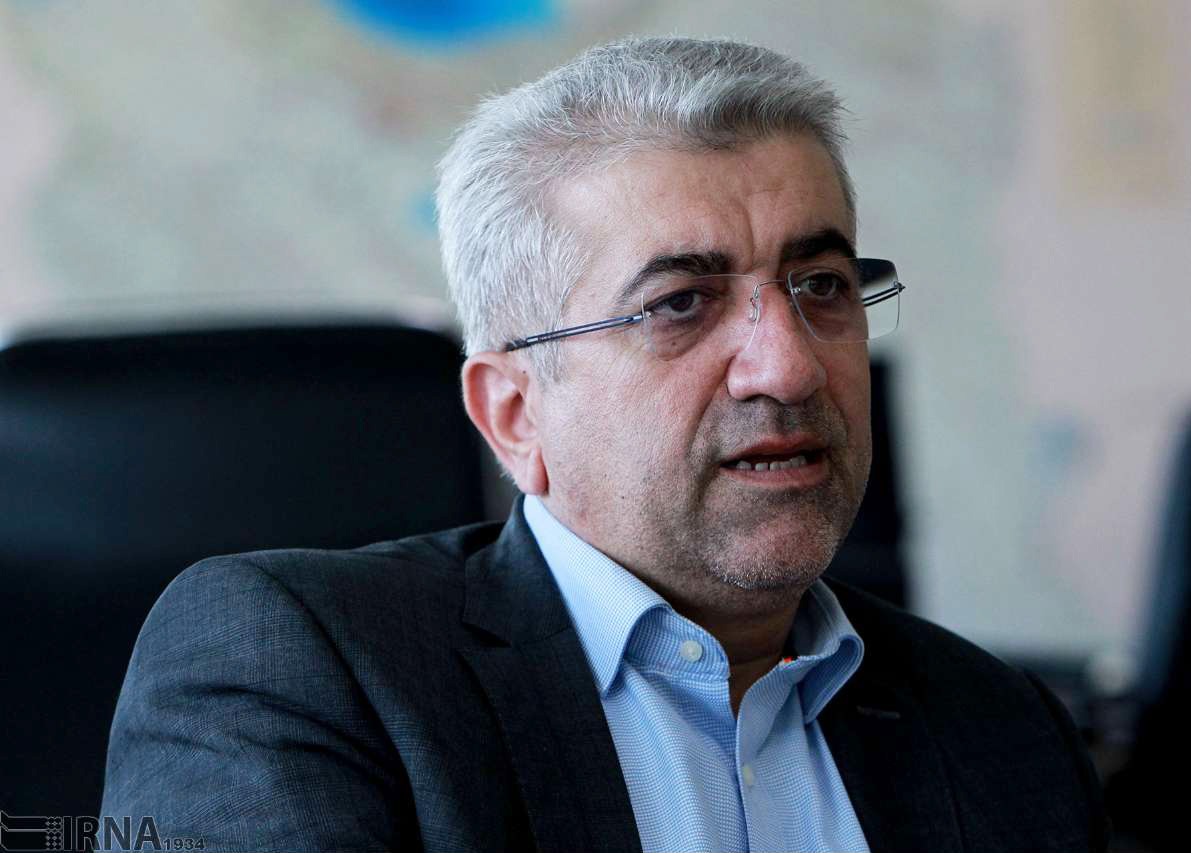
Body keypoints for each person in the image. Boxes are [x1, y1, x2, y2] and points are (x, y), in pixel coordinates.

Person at [101, 37, 1110, 852]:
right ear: (514, 412)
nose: (788, 367)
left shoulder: (1000, 728)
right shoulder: (301, 674)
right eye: (679, 303)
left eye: (821, 286)